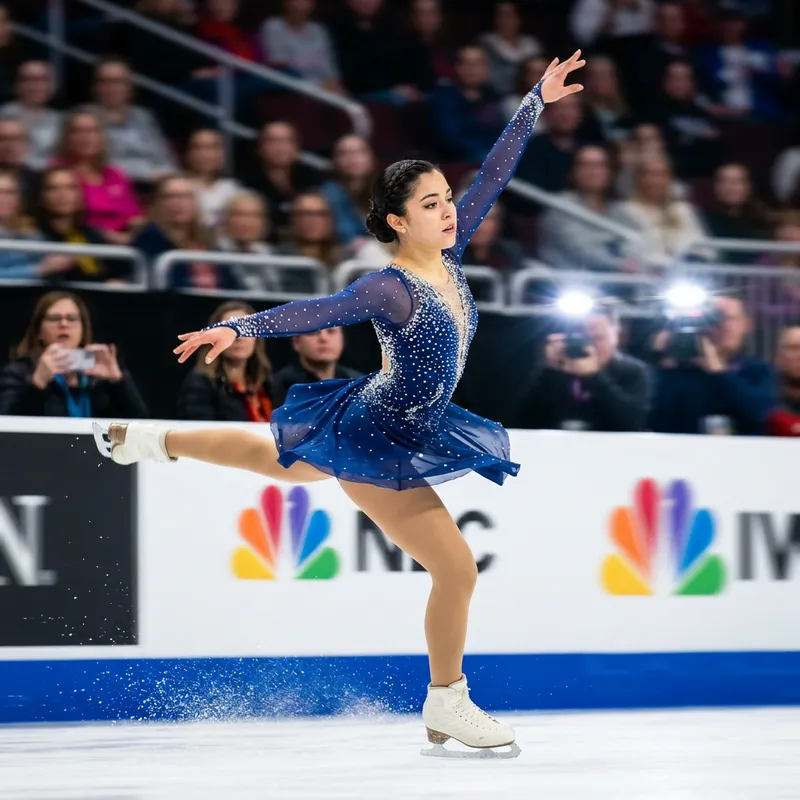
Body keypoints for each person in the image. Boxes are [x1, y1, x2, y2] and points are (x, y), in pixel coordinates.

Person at [92, 51, 585, 757]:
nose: (448, 210)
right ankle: (448, 699)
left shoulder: (449, 252)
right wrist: (239, 326)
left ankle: (153, 443)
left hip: (411, 422)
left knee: (284, 464)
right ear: (395, 221)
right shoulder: (391, 287)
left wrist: (535, 98)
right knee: (456, 568)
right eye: (430, 205)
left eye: (447, 199)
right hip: (377, 430)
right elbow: (319, 307)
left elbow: (495, 173)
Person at [0, 290, 148, 418]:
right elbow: (8, 428)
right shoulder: (18, 372)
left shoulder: (97, 376)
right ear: (39, 332)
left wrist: (117, 382)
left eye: (72, 319)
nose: (64, 324)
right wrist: (37, 383)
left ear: (82, 329)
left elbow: (140, 423)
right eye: (54, 318)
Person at [648, 295, 776, 435]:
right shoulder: (677, 370)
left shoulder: (757, 370)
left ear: (746, 324)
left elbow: (760, 414)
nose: (719, 326)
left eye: (726, 318)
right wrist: (659, 361)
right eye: (711, 319)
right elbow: (651, 418)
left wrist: (720, 373)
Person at [517, 307, 651, 432]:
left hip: (610, 448)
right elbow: (524, 420)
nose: (590, 345)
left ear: (615, 334)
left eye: (598, 338)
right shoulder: (555, 368)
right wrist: (550, 370)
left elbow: (630, 422)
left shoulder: (633, 371)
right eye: (584, 338)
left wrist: (594, 376)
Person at [176, 301, 274, 421]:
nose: (239, 338)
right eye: (230, 330)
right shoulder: (202, 383)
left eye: (246, 329)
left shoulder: (266, 383)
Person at [271, 327, 362, 408]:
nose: (323, 338)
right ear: (296, 342)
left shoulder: (360, 384)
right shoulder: (277, 387)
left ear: (342, 339)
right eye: (312, 332)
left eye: (331, 331)